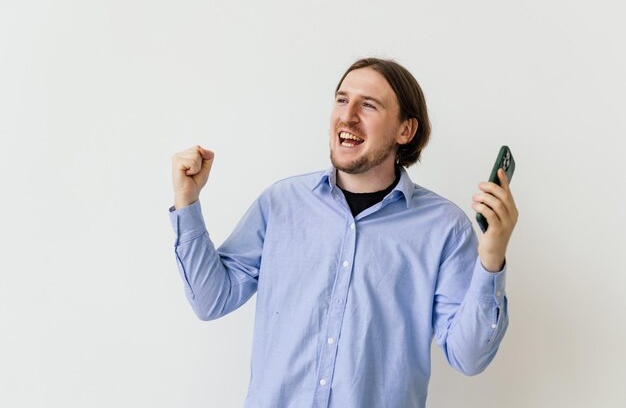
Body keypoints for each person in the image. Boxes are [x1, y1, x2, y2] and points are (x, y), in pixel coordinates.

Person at [168, 58, 518, 408]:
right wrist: (187, 202)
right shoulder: (281, 203)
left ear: (405, 131)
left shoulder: (444, 228)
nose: (347, 115)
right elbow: (211, 300)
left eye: (368, 105)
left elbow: (469, 357)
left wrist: (492, 257)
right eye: (341, 99)